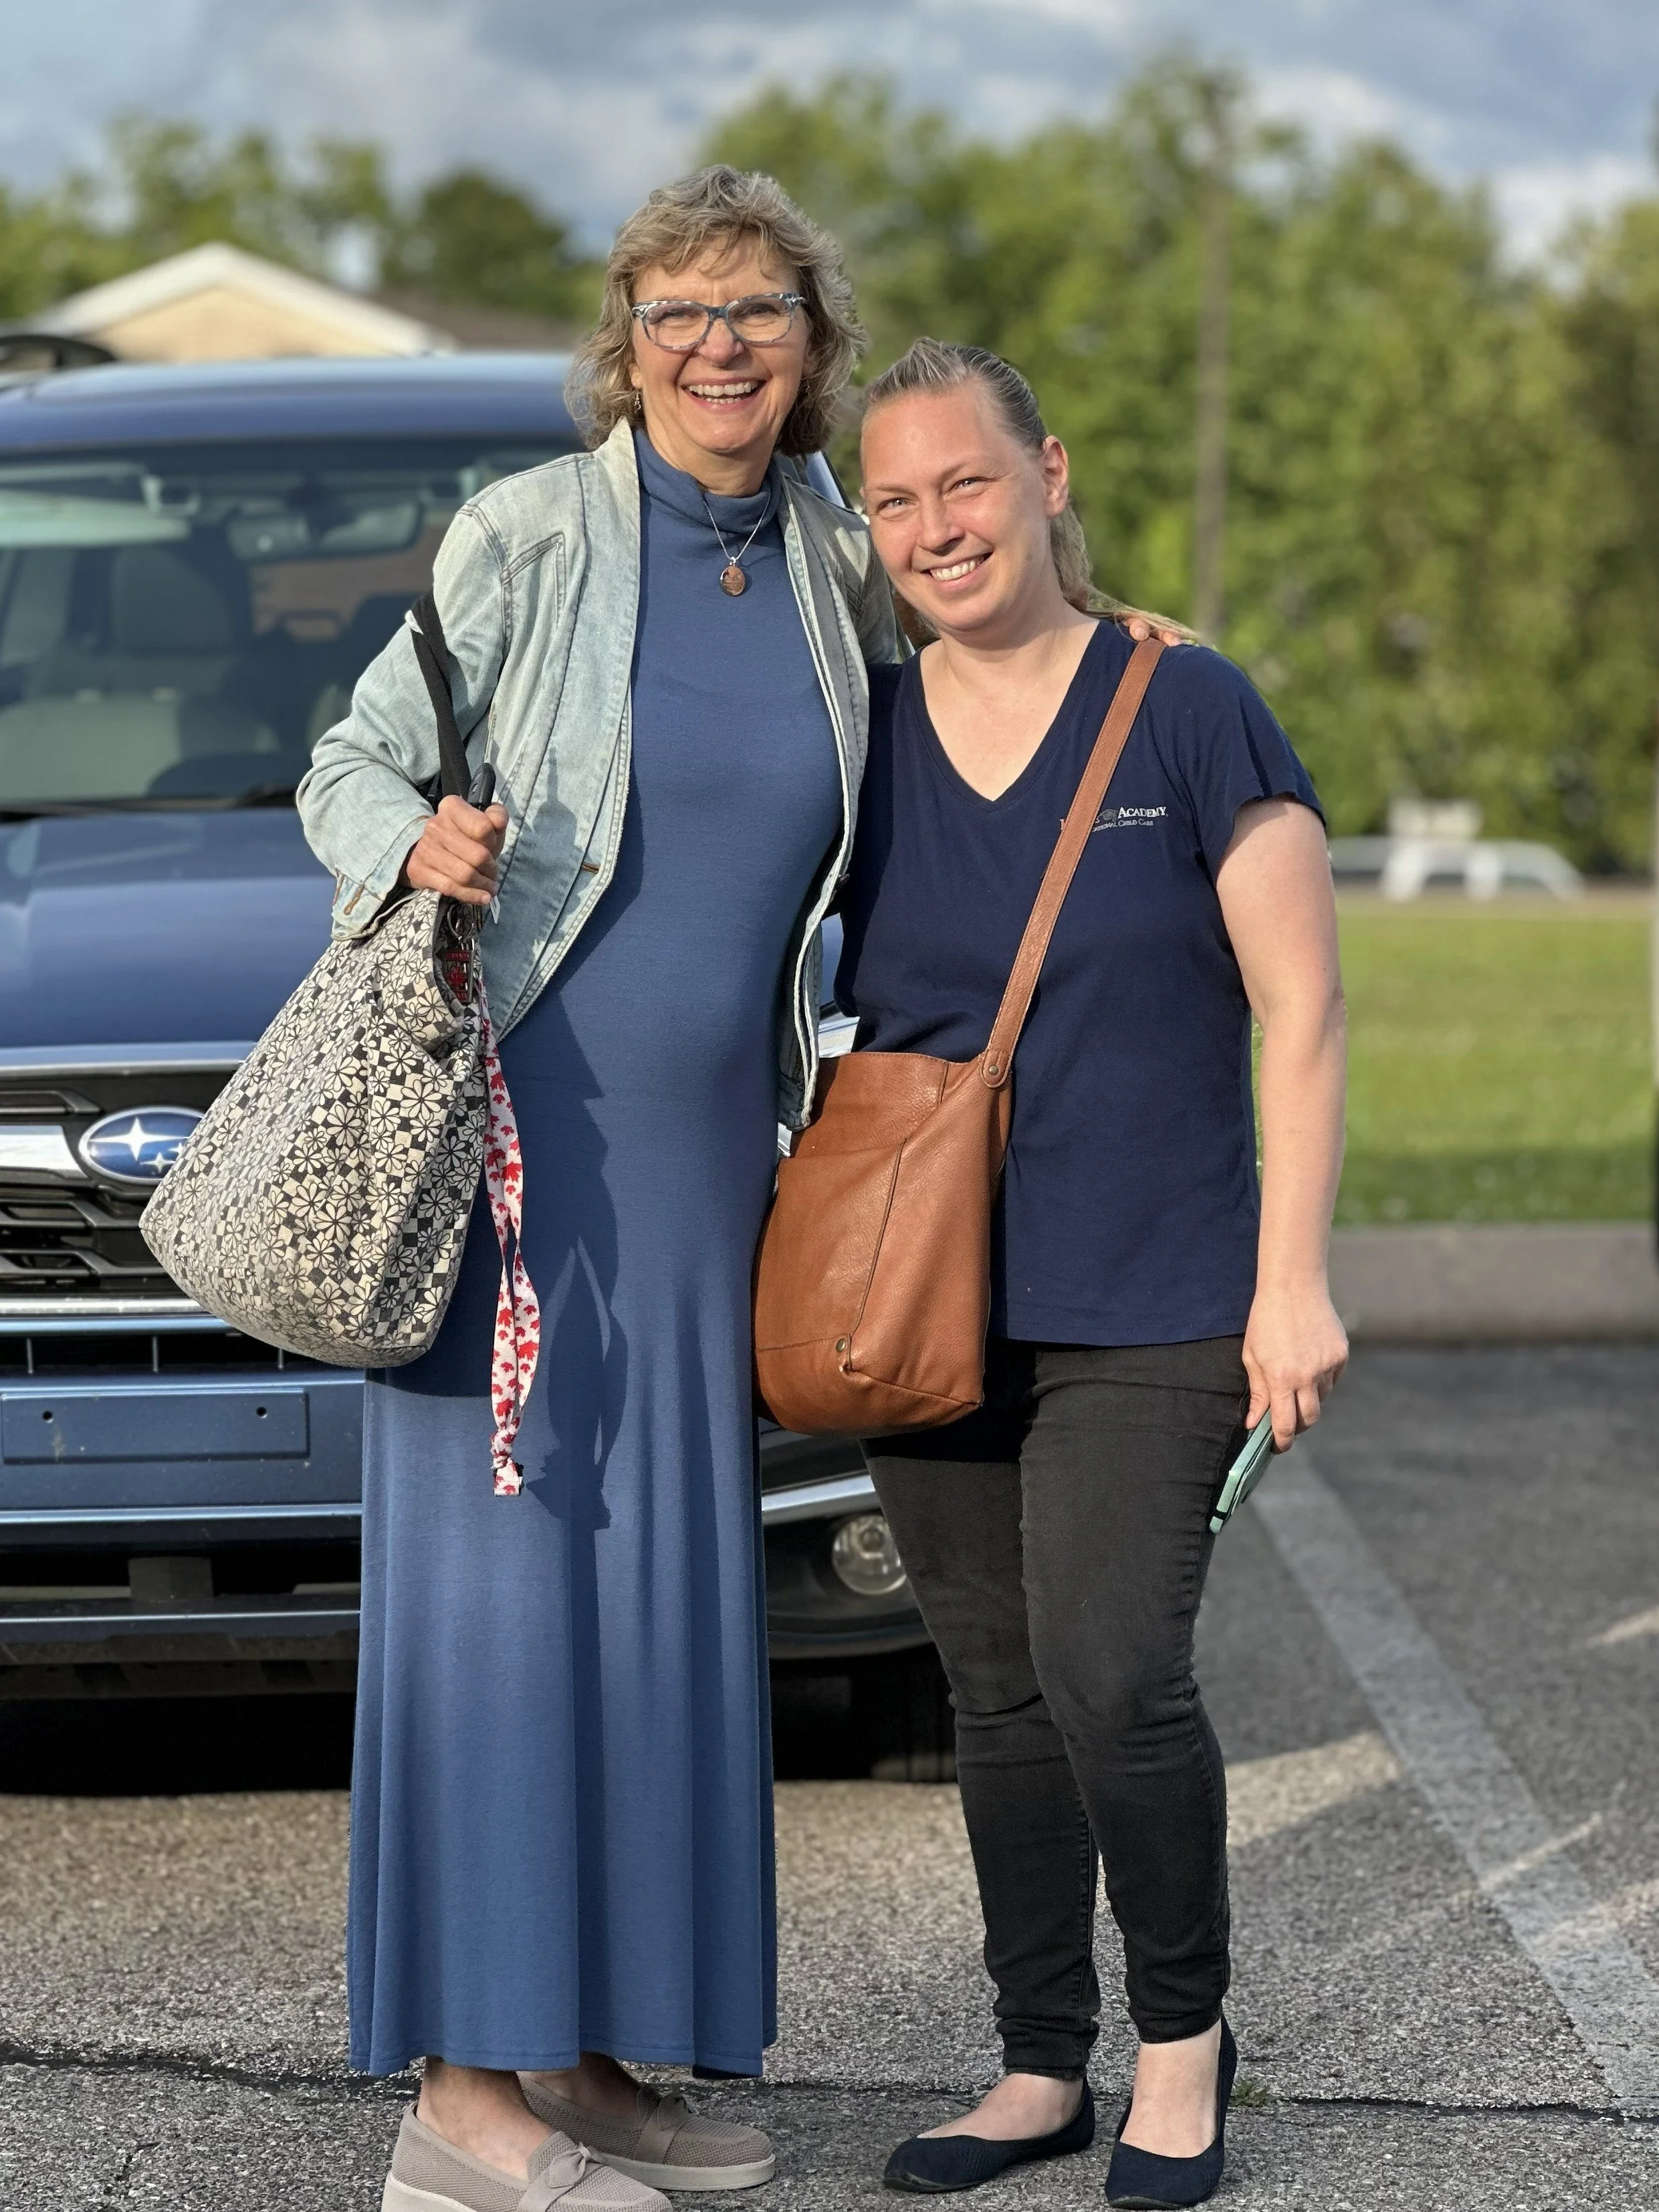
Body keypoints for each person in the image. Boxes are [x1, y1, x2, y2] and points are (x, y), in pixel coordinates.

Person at [297, 167, 899, 2212]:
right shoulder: (534, 531)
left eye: (756, 308)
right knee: (500, 1612)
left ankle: (585, 2055)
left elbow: (973, 692)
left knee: (658, 1616)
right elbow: (346, 764)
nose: (716, 342)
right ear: (625, 344)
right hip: (516, 1157)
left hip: (723, 1166)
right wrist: (418, 849)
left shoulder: (832, 559)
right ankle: (461, 2108)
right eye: (676, 311)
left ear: (815, 341)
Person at [834, 340, 1348, 2207]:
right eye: (893, 501)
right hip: (929, 1294)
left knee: (1114, 1667)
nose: (935, 528)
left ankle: (1183, 2050)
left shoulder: (1190, 704)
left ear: (1046, 474)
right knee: (990, 1685)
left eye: (964, 483)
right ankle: (1037, 2059)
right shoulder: (864, 735)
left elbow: (1301, 1003)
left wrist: (1293, 1277)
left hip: (1160, 1281)